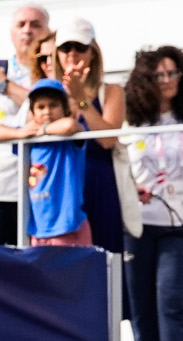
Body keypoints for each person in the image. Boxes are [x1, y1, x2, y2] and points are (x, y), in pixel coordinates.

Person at [122, 46, 183, 341]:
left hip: (180, 224)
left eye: (173, 73)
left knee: (171, 302)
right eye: (159, 75)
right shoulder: (130, 122)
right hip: (138, 225)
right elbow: (119, 166)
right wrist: (131, 187)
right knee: (140, 307)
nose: (167, 80)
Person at [0, 5, 52, 245]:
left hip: (43, 190)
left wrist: (4, 85)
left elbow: (53, 110)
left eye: (35, 25)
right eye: (21, 25)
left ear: (47, 31)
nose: (28, 31)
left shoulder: (53, 73)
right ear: (11, 32)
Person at [53, 20, 125, 255]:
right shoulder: (48, 93)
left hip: (99, 181)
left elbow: (107, 139)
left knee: (105, 258)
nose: (72, 53)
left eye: (80, 47)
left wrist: (81, 98)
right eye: (66, 48)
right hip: (61, 183)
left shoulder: (111, 91)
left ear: (92, 52)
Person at [0, 78, 92, 246]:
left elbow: (69, 125)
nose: (47, 112)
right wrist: (20, 133)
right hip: (38, 228)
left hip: (67, 226)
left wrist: (41, 130)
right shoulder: (30, 138)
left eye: (53, 105)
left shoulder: (69, 139)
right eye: (40, 107)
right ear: (32, 111)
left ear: (65, 108)